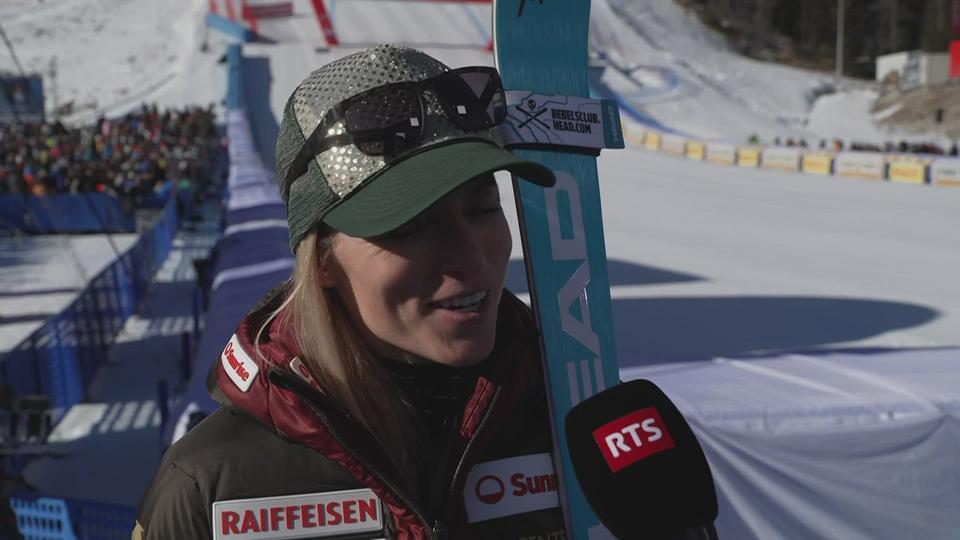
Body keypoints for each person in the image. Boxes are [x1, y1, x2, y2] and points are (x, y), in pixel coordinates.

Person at [133, 44, 567, 539]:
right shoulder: (211, 490)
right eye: (410, 225)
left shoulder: (576, 424)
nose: (470, 257)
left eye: (484, 207)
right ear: (320, 262)